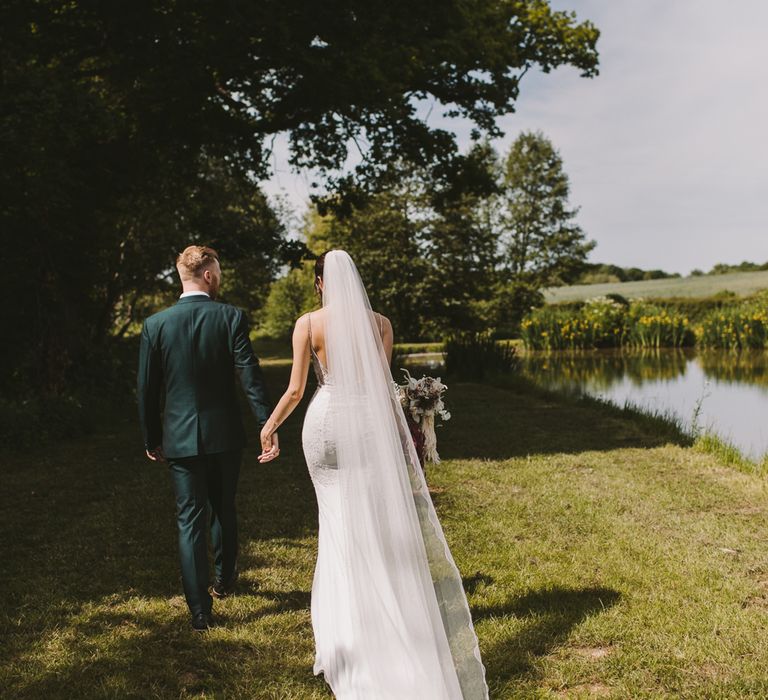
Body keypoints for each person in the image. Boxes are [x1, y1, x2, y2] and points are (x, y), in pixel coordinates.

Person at [259, 250, 488, 699]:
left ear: (321, 283)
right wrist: (409, 439)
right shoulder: (380, 324)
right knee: (370, 520)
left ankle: (345, 634)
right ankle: (381, 621)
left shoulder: (309, 323)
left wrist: (269, 428)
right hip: (366, 424)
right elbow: (384, 391)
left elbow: (295, 389)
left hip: (324, 426)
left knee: (336, 521)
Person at [137, 245, 277, 632]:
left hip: (179, 437)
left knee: (189, 521)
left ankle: (199, 610)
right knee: (223, 507)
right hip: (225, 434)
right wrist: (267, 424)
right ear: (210, 276)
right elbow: (249, 375)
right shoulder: (230, 316)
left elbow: (147, 390)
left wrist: (152, 438)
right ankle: (224, 580)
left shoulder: (156, 324)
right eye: (220, 272)